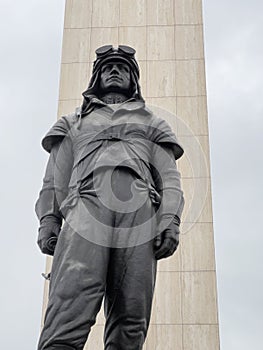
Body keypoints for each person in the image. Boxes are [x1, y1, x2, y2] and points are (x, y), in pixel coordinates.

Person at [35, 45, 184, 350]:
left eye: (123, 68)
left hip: (139, 212)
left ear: (134, 80)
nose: (114, 71)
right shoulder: (73, 122)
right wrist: (49, 219)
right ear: (96, 78)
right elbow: (54, 178)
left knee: (132, 308)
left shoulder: (153, 123)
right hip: (86, 207)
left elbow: (169, 177)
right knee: (71, 298)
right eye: (107, 68)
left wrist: (170, 219)